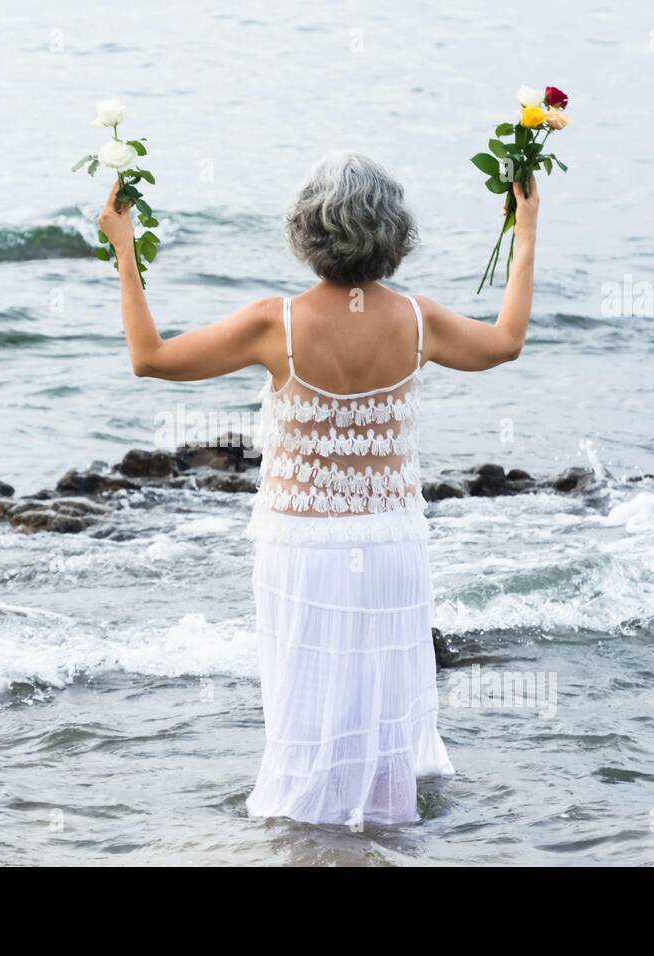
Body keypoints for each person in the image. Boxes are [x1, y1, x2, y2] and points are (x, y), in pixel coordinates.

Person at [98, 152, 537, 826]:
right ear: (395, 235)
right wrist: (527, 232)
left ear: (307, 232)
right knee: (379, 695)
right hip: (391, 542)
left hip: (302, 546)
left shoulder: (274, 325)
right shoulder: (419, 322)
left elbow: (149, 359)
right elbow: (506, 341)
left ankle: (316, 826)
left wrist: (125, 251)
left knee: (309, 695)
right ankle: (381, 820)